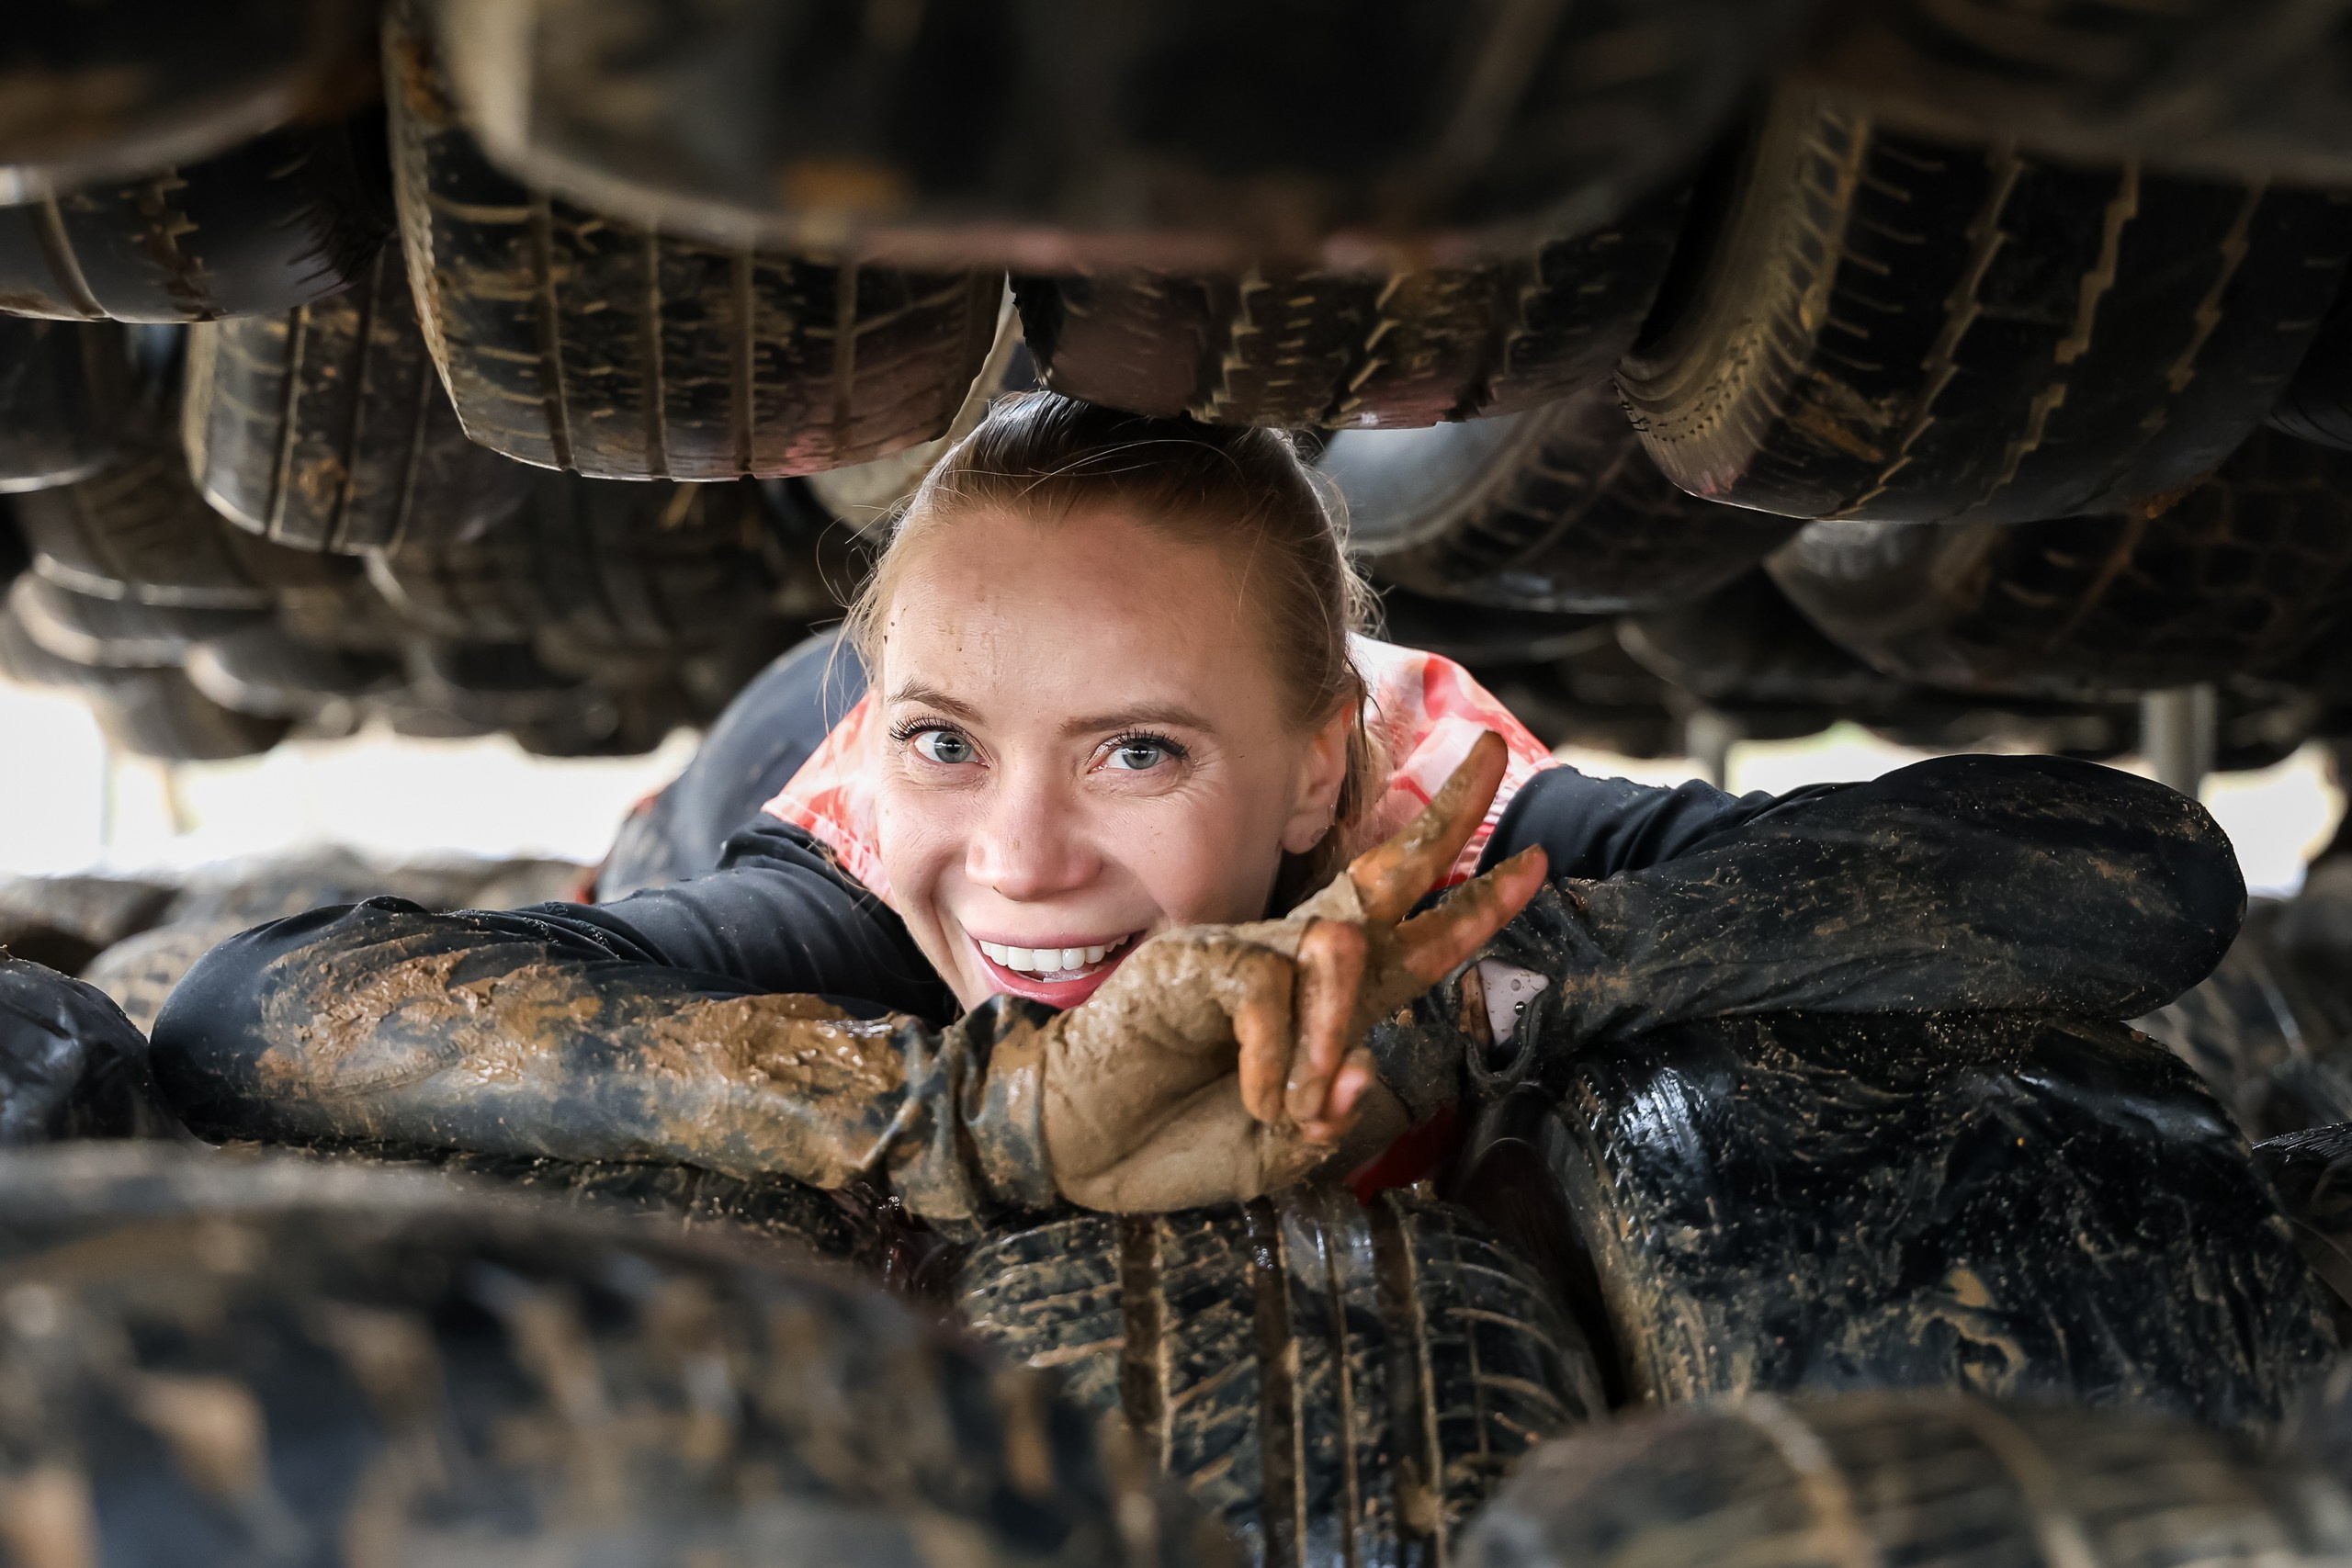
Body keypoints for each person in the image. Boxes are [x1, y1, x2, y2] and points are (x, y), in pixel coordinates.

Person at [150, 394, 2247, 1232]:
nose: (1029, 864)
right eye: (956, 739)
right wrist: (969, 1114)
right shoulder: (859, 871)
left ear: (1319, 770)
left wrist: (1454, 996)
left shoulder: (1441, 810)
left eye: (1139, 753)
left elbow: (2120, 862)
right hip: (736, 755)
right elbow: (251, 1012)